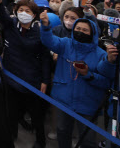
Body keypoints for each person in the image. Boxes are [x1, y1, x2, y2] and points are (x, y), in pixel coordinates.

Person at [39, 10, 116, 148]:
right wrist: (45, 26)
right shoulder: (65, 44)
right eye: (78, 28)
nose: (80, 31)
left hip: (88, 103)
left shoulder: (101, 54)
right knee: (62, 131)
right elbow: (49, 40)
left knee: (87, 138)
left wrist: (88, 75)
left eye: (85, 30)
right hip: (64, 100)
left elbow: (106, 82)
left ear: (92, 33)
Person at [0, 0, 49, 147]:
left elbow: (45, 58)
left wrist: (44, 80)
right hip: (11, 77)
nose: (23, 13)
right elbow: (2, 16)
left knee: (36, 114)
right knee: (10, 111)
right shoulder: (11, 25)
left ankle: (40, 141)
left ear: (34, 15)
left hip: (31, 80)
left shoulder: (39, 32)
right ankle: (11, 134)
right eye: (20, 10)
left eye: (27, 11)